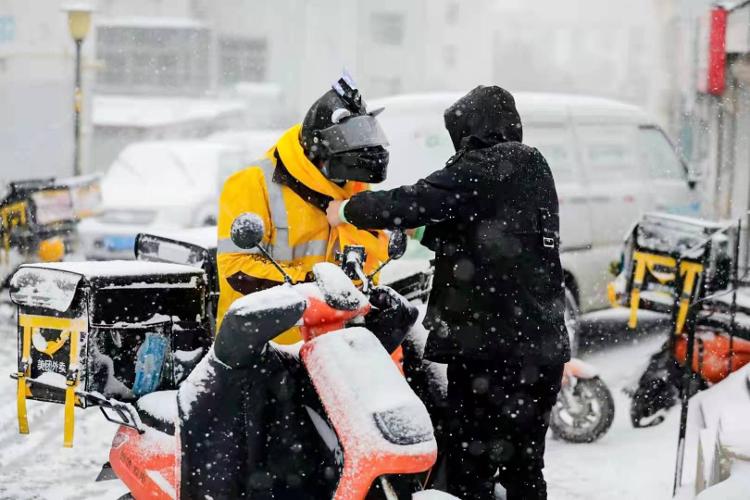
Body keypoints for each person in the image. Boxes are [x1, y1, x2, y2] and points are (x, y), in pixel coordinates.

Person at [326, 85, 571, 499]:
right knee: (525, 467)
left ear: (474, 129)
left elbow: (417, 200)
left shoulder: (487, 166)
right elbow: (485, 234)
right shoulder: (531, 166)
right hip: (541, 351)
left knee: (469, 466)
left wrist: (348, 210)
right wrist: (418, 230)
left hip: (491, 354)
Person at [216, 74, 391, 340]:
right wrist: (313, 284)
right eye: (341, 168)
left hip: (337, 344)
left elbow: (367, 263)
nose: (348, 179)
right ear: (320, 152)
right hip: (266, 346)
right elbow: (237, 269)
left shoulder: (355, 187)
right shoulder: (252, 183)